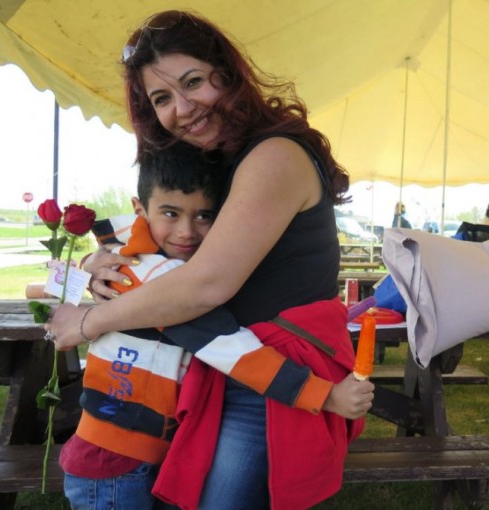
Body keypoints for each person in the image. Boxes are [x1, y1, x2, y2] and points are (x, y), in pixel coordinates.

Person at [47, 10, 374, 509]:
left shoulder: (273, 156)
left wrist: (88, 322)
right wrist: (105, 261)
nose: (183, 108)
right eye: (161, 98)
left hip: (272, 380)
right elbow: (160, 238)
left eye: (193, 82)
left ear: (227, 74)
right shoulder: (225, 161)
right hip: (230, 364)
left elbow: (206, 284)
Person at [63, 143, 356, 509]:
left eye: (204, 216)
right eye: (171, 213)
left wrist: (88, 264)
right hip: (114, 463)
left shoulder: (136, 257)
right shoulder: (167, 284)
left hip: (131, 451)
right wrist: (325, 396)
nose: (187, 231)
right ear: (140, 209)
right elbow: (235, 352)